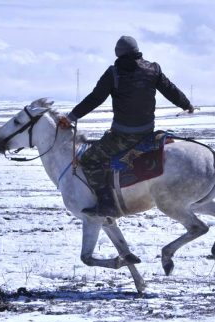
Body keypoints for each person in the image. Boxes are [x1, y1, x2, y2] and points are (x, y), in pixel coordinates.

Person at [58, 36, 194, 217]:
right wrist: (186, 105)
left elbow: (95, 98)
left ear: (118, 53)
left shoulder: (113, 73)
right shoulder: (153, 69)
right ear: (137, 50)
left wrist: (72, 117)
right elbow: (170, 89)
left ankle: (106, 203)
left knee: (89, 160)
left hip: (122, 136)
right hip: (146, 132)